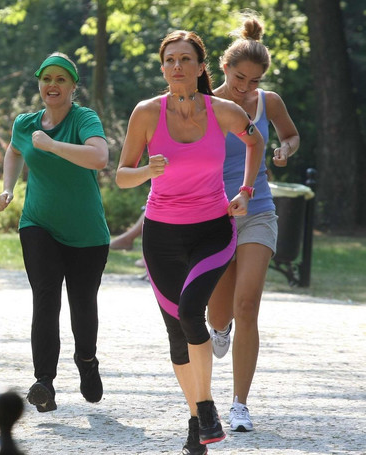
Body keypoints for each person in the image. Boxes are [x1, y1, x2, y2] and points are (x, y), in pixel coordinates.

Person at [115, 30, 264, 455]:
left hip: (213, 230)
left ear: (202, 68)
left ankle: (204, 412)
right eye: (169, 60)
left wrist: (246, 191)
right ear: (162, 69)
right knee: (177, 335)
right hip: (161, 235)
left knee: (190, 311)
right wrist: (147, 170)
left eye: (185, 59)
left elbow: (255, 141)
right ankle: (199, 422)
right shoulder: (146, 113)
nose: (176, 66)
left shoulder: (223, 111)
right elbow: (122, 175)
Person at [0, 52, 110, 413]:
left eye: (61, 79)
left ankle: (87, 361)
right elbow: (14, 152)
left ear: (73, 86)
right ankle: (44, 381)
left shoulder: (84, 118)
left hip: (87, 233)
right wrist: (8, 187)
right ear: (39, 85)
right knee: (46, 297)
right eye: (46, 79)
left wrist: (53, 146)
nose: (52, 85)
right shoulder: (26, 123)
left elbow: (100, 158)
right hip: (38, 223)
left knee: (82, 303)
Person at [207, 15, 300, 432]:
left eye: (254, 80)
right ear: (225, 68)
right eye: (240, 78)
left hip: (258, 209)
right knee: (219, 312)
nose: (246, 88)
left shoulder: (269, 101)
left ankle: (240, 404)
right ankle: (218, 327)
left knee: (248, 305)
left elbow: (291, 136)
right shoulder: (204, 99)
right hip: (213, 213)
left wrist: (284, 149)